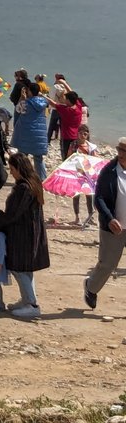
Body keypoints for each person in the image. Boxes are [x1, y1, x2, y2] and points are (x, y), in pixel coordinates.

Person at [3, 151, 50, 318]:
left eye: (12, 169)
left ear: (19, 168)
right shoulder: (34, 182)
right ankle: (27, 299)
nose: (11, 172)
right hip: (31, 232)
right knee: (25, 269)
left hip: (23, 234)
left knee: (19, 268)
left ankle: (31, 303)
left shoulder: (25, 188)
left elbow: (14, 213)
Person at [84, 137, 126, 311]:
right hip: (113, 228)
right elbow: (99, 199)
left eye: (125, 151)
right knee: (108, 264)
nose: (122, 154)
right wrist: (110, 219)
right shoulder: (109, 171)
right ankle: (90, 287)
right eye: (120, 150)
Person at [11, 80, 50, 180]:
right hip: (39, 135)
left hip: (26, 134)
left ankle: (24, 176)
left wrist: (21, 98)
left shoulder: (26, 103)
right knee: (38, 158)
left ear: (30, 92)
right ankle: (42, 179)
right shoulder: (43, 103)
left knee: (23, 157)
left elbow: (18, 110)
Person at [73, 124, 97, 227]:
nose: (82, 135)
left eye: (85, 134)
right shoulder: (73, 145)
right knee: (76, 195)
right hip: (77, 172)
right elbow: (69, 157)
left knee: (89, 196)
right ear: (77, 133)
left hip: (87, 173)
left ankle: (90, 216)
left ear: (87, 135)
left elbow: (96, 160)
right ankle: (77, 217)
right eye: (80, 133)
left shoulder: (91, 147)